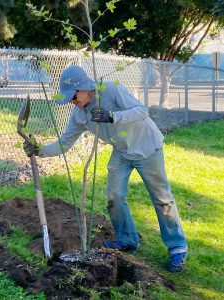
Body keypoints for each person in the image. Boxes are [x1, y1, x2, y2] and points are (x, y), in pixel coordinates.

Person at [24, 65, 187, 272]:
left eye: (73, 97)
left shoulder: (109, 90)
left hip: (147, 147)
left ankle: (177, 248)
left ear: (85, 88)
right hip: (121, 151)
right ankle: (128, 239)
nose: (72, 103)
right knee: (114, 196)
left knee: (162, 199)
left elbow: (141, 111)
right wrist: (39, 150)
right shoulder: (79, 115)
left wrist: (112, 116)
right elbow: (64, 143)